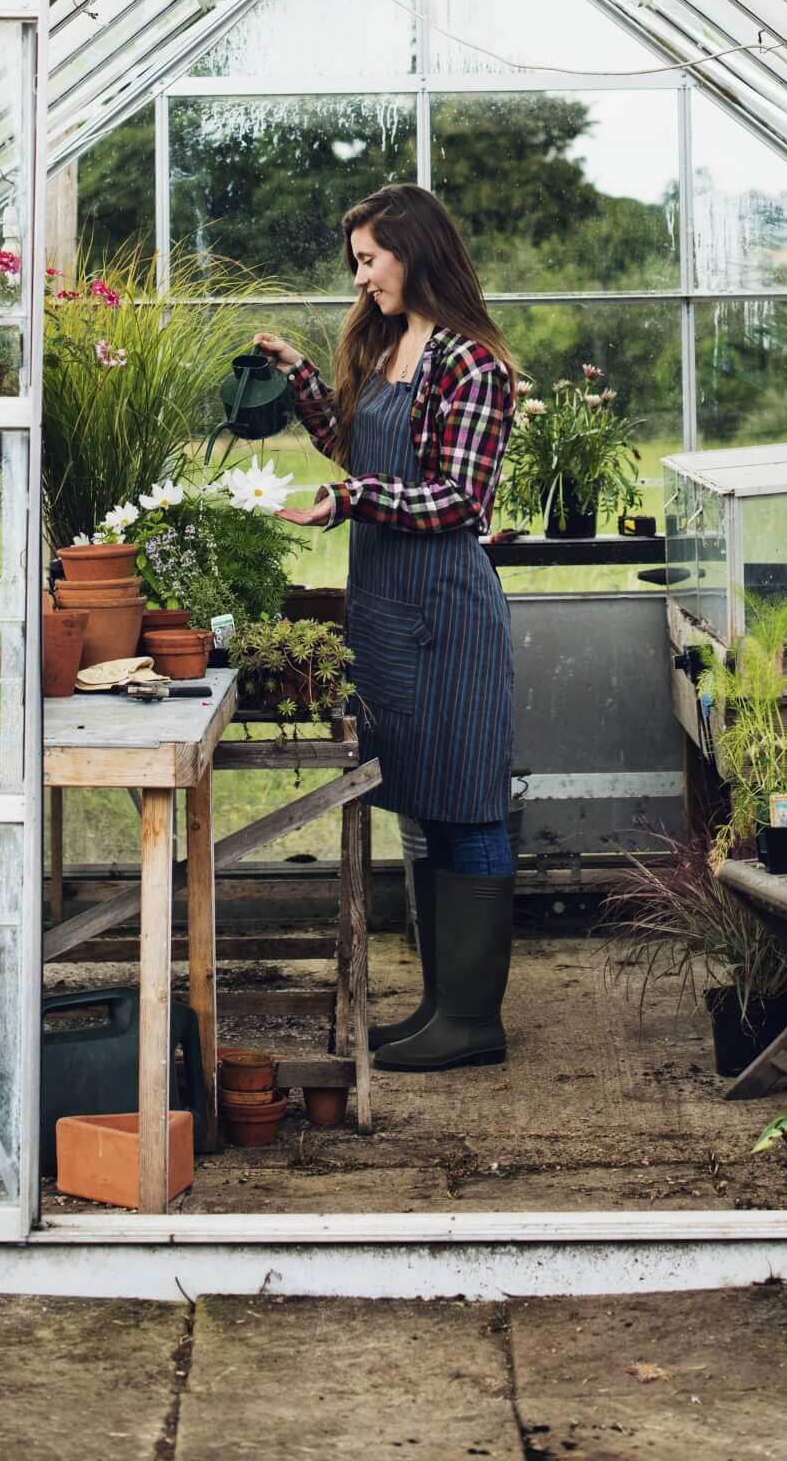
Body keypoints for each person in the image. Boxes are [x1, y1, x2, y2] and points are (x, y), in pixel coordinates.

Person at [255, 184, 517, 1072]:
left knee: (470, 806)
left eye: (372, 259)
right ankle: (441, 1006)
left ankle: (474, 1021)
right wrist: (298, 376)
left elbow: (456, 497)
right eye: (357, 264)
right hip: (389, 611)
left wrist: (348, 501)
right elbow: (353, 446)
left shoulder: (469, 364)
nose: (362, 279)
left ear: (417, 251)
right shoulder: (386, 343)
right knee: (427, 804)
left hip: (450, 614)